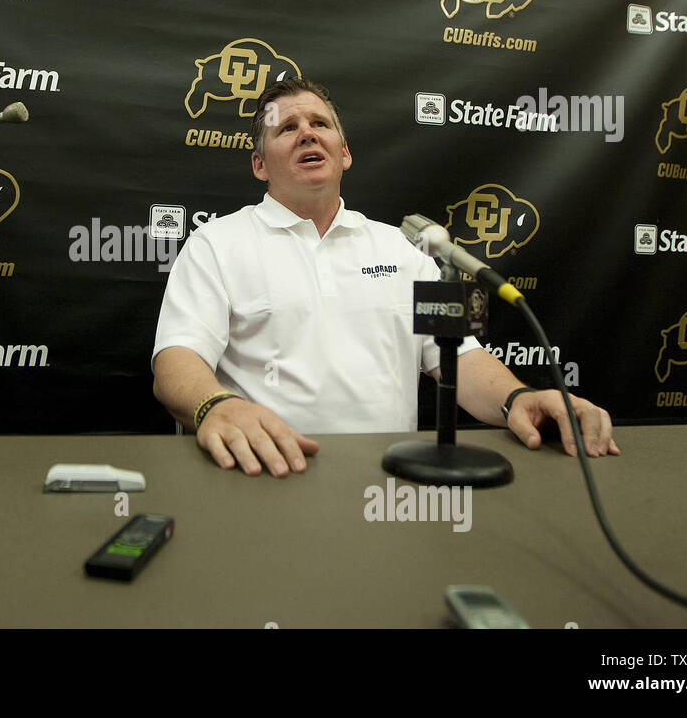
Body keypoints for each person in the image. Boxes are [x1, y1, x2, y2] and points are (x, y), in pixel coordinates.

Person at [152, 77, 617, 476]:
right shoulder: (217, 243)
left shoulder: (404, 247)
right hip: (267, 471)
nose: (307, 135)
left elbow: (458, 358)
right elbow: (176, 361)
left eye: (320, 125)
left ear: (344, 152)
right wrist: (217, 407)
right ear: (259, 164)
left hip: (391, 479)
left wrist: (518, 398)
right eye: (286, 128)